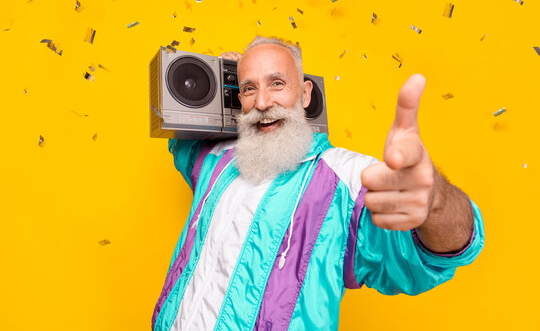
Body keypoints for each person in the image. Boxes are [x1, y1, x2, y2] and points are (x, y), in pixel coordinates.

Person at [151, 36, 485, 331]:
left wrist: (435, 200)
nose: (263, 102)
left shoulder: (350, 179)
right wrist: (222, 77)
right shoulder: (217, 159)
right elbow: (180, 136)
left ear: (306, 92)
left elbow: (436, 256)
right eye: (249, 88)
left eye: (277, 83)